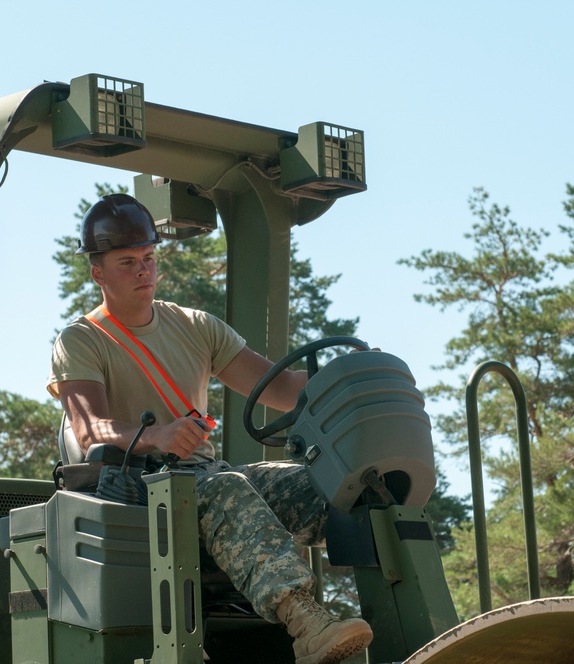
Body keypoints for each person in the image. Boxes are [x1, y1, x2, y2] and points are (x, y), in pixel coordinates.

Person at [47, 193, 373, 664]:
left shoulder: (194, 326)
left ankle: (395, 625)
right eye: (127, 262)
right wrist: (157, 436)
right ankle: (306, 624)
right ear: (98, 272)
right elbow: (89, 429)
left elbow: (280, 388)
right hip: (136, 487)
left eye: (149, 258)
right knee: (225, 488)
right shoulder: (82, 339)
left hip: (206, 477)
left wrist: (344, 376)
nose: (144, 270)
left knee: (329, 485)